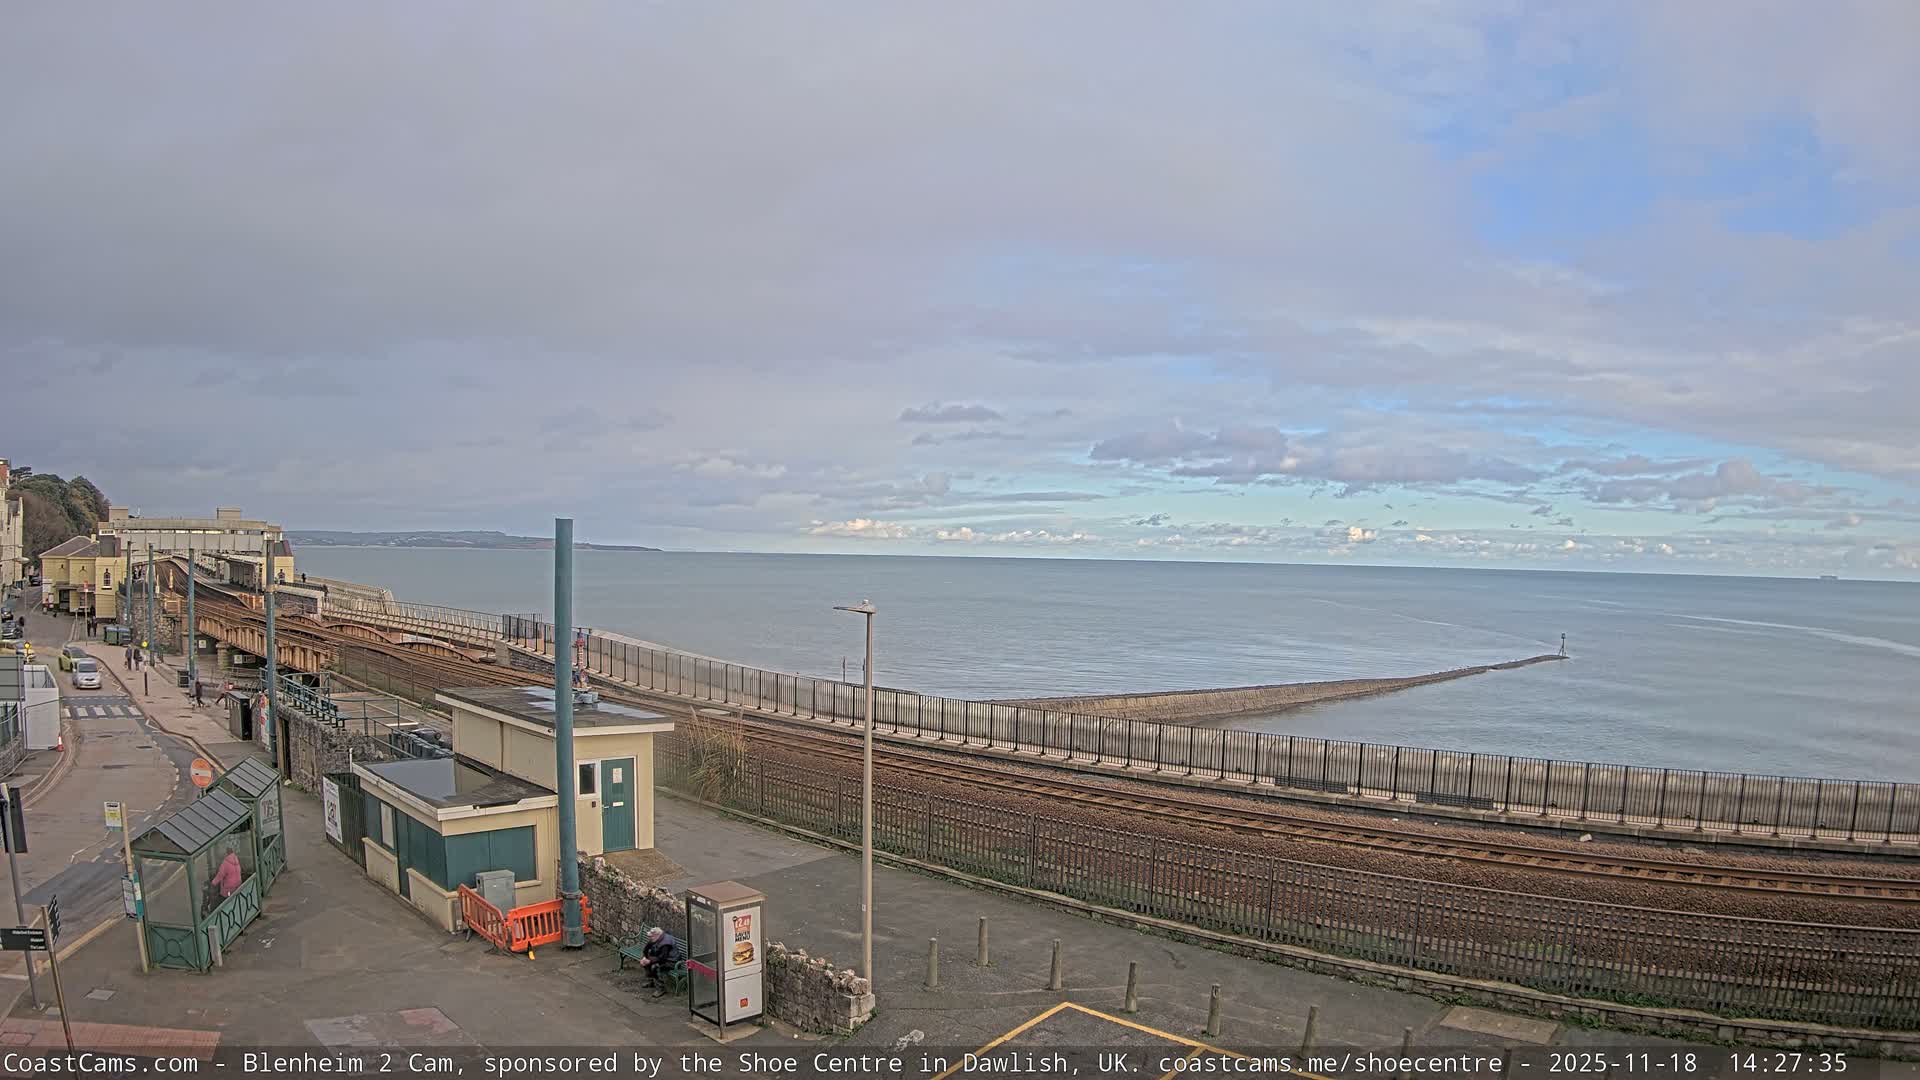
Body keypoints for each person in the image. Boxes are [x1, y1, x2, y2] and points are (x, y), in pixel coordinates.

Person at [637, 927, 684, 996]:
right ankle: (651, 981)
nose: (649, 938)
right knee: (646, 963)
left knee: (655, 967)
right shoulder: (655, 938)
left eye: (651, 936)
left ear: (656, 936)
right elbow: (646, 949)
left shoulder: (666, 943)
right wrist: (645, 958)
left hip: (672, 961)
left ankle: (661, 989)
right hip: (662, 958)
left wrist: (649, 961)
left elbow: (662, 958)